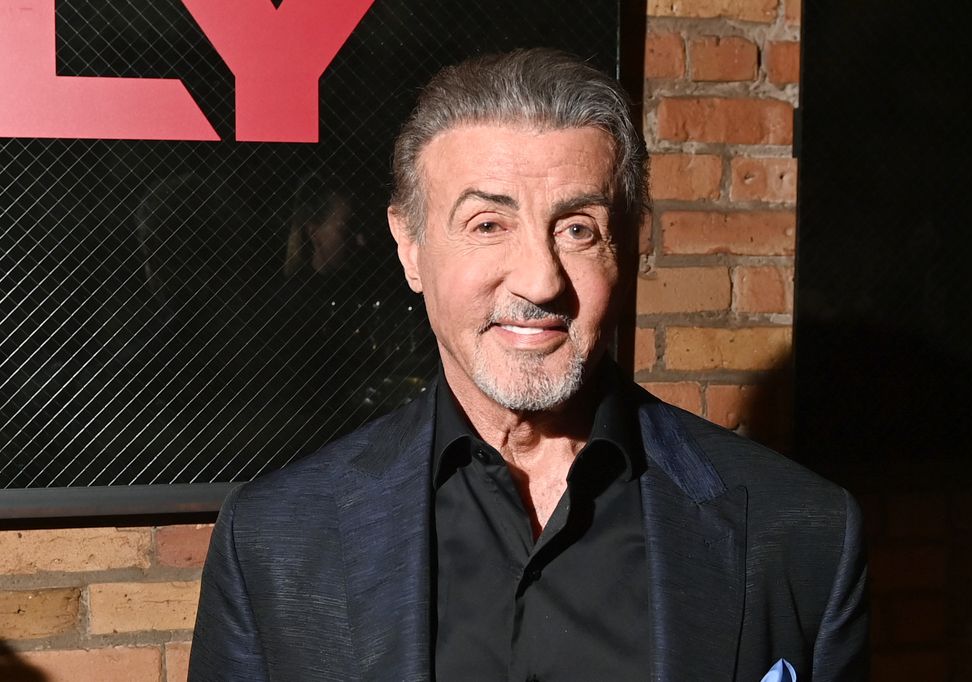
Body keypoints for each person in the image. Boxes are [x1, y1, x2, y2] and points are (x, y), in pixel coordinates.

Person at [189, 49, 868, 681]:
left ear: (627, 249)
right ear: (410, 246)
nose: (541, 281)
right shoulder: (273, 542)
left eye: (577, 229)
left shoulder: (803, 533)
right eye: (488, 224)